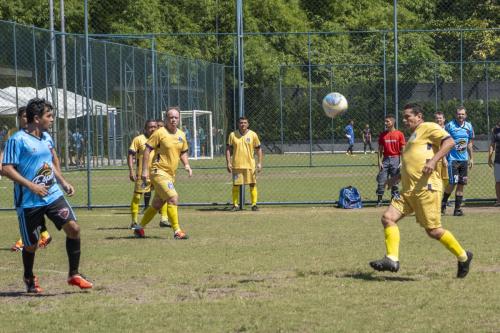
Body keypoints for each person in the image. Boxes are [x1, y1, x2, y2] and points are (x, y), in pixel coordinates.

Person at [369, 103, 473, 278]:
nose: (404, 120)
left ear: (419, 116)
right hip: (409, 190)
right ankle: (392, 259)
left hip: (427, 188)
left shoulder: (428, 127)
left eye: (408, 116)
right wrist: (396, 178)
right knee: (388, 218)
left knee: (433, 231)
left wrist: (433, 162)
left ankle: (463, 257)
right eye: (403, 116)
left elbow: (449, 142)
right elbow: (413, 163)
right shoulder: (413, 137)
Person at [2, 98, 92, 293]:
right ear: (36, 118)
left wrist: (62, 181)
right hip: (28, 200)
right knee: (31, 244)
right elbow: (7, 169)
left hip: (52, 195)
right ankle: (28, 276)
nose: (52, 120)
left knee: (74, 229)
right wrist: (31, 186)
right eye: (49, 116)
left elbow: (48, 163)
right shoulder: (17, 140)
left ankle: (74, 274)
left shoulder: (46, 138)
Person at [133, 107, 192, 239]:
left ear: (179, 119)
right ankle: (177, 231)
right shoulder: (160, 133)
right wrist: (144, 170)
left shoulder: (181, 135)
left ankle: (139, 228)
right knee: (173, 198)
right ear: (166, 119)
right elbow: (147, 150)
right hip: (158, 172)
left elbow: (183, 152)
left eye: (176, 117)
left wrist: (187, 165)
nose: (173, 120)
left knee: (157, 204)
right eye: (171, 117)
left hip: (170, 175)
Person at [0, 107, 53, 252]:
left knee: (31, 212)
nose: (25, 119)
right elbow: (5, 154)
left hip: (41, 184)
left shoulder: (44, 136)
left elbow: (53, 157)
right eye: (22, 116)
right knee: (28, 213)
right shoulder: (15, 136)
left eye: (26, 116)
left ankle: (25, 240)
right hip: (23, 184)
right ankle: (43, 234)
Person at [128, 120, 169, 229]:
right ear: (145, 128)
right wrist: (131, 170)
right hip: (143, 174)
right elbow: (130, 155)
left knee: (164, 195)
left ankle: (164, 219)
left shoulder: (160, 139)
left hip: (158, 173)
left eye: (155, 127)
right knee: (137, 196)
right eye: (150, 127)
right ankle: (134, 221)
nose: (153, 129)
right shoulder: (138, 139)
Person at [441, 106, 474, 216]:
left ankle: (457, 209)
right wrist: (444, 158)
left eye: (462, 114)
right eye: (459, 114)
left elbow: (469, 143)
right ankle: (443, 204)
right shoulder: (449, 126)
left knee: (461, 184)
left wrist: (471, 158)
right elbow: (444, 143)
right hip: (453, 160)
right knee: (453, 182)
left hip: (464, 160)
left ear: (466, 115)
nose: (460, 116)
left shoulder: (469, 126)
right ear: (456, 115)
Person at [226, 116, 263, 211]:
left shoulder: (253, 135)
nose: (243, 124)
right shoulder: (232, 135)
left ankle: (254, 205)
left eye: (245, 123)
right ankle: (235, 205)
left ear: (248, 124)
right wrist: (228, 163)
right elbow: (228, 150)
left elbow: (259, 149)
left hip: (250, 165)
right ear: (238, 124)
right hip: (237, 165)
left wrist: (259, 163)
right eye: (241, 123)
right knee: (236, 185)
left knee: (252, 184)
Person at [376, 115, 405, 207]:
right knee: (381, 180)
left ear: (392, 122)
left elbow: (403, 149)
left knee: (395, 181)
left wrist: (402, 162)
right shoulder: (383, 134)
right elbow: (380, 149)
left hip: (396, 158)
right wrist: (379, 161)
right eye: (385, 121)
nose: (385, 123)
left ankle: (394, 201)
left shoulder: (399, 134)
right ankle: (379, 200)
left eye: (387, 121)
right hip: (385, 159)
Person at [434, 111, 449, 194]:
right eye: (436, 118)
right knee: (437, 179)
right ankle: (438, 198)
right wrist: (444, 158)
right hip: (439, 159)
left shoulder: (447, 129)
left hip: (449, 157)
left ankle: (444, 199)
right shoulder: (433, 130)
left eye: (440, 118)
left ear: (444, 119)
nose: (438, 119)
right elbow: (440, 145)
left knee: (447, 179)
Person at [488, 120, 500, 206]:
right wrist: (489, 157)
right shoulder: (495, 131)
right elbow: (492, 145)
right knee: (498, 181)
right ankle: (499, 200)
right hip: (498, 160)